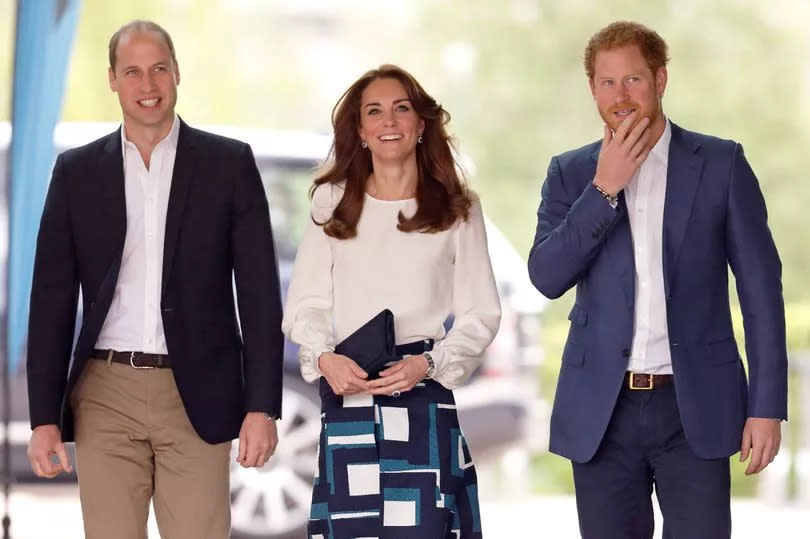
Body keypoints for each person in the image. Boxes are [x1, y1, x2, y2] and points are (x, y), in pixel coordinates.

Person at [528, 20, 788, 539]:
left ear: (661, 79)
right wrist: (604, 189)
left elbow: (761, 293)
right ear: (592, 89)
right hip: (601, 410)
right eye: (607, 82)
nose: (620, 95)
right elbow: (546, 276)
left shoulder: (721, 163)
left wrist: (766, 407)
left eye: (634, 79)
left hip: (695, 405)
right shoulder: (571, 173)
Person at [25, 20, 284, 539]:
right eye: (133, 72)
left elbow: (258, 296)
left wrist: (262, 406)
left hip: (198, 393)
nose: (148, 86)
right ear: (113, 81)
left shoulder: (228, 165)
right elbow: (51, 301)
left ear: (177, 73)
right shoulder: (75, 172)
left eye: (159, 69)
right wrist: (42, 419)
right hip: (105, 392)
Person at [282, 64, 501, 539]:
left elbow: (480, 313)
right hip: (350, 391)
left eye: (401, 109)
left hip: (423, 393)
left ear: (421, 125)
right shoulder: (330, 201)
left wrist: (430, 362)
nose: (389, 121)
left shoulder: (457, 207)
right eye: (375, 112)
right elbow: (305, 304)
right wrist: (324, 357)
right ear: (360, 131)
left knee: (425, 528)